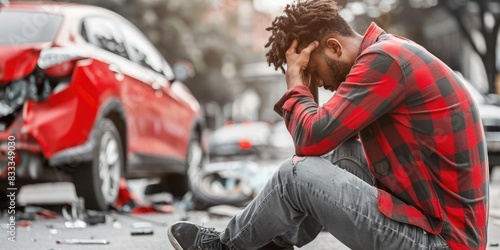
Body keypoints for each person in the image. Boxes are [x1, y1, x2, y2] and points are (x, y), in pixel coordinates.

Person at [167, 0, 489, 249]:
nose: (319, 82)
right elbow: (321, 142)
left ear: (334, 47)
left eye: (315, 71)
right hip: (433, 227)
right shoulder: (387, 51)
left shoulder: (383, 60)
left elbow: (309, 142)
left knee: (293, 176)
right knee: (345, 155)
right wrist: (306, 93)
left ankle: (227, 247)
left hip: (441, 242)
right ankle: (270, 243)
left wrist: (296, 84)